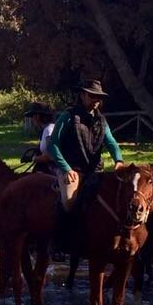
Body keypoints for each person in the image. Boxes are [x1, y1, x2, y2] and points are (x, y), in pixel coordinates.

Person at [48, 80, 125, 215]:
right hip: (71, 169)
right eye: (92, 95)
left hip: (95, 170)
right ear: (83, 95)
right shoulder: (68, 116)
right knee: (69, 203)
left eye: (99, 97)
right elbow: (53, 144)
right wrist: (66, 169)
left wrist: (118, 160)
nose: (96, 100)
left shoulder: (101, 121)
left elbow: (111, 142)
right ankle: (61, 234)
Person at [24, 102, 58, 175]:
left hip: (53, 170)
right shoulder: (46, 129)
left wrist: (34, 159)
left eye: (33, 116)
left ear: (38, 116)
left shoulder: (49, 130)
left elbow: (51, 155)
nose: (32, 119)